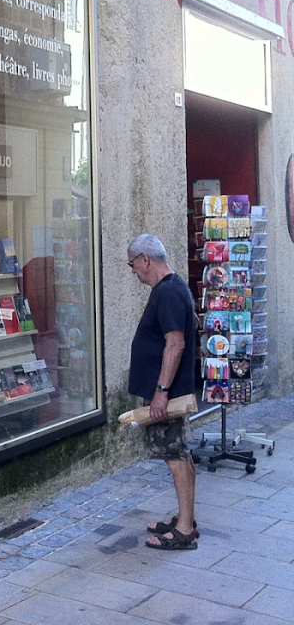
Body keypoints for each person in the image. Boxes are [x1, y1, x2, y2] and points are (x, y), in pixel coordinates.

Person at [127, 234, 199, 550]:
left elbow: (176, 343)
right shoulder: (172, 287)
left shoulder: (168, 291)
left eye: (132, 264)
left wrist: (160, 392)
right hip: (168, 390)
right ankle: (186, 518)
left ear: (146, 259)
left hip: (167, 394)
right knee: (179, 454)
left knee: (176, 457)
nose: (133, 271)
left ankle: (184, 530)